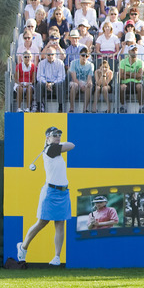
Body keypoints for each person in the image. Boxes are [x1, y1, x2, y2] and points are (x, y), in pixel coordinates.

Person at [16, 127, 75, 266]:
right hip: (51, 192)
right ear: (47, 138)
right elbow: (71, 145)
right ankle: (23, 247)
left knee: (60, 223)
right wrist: (51, 143)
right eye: (54, 135)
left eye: (59, 134)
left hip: (63, 192)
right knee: (42, 222)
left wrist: (54, 142)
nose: (58, 136)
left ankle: (57, 257)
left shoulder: (55, 148)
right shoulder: (50, 150)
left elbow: (70, 145)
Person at [119, 44, 144, 113]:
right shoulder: (122, 62)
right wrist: (134, 75)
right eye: (133, 50)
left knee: (140, 87)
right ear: (129, 52)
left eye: (136, 50)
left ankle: (141, 107)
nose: (134, 52)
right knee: (122, 87)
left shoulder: (141, 62)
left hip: (137, 82)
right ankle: (123, 107)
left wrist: (127, 73)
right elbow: (121, 76)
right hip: (126, 83)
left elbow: (140, 75)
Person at [68, 48, 94, 113]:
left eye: (86, 56)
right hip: (75, 82)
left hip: (84, 82)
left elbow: (89, 78)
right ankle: (71, 108)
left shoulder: (91, 65)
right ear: (79, 55)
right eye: (83, 55)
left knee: (89, 86)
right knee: (74, 85)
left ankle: (85, 109)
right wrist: (81, 85)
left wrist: (89, 83)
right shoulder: (73, 63)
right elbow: (74, 78)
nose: (84, 57)